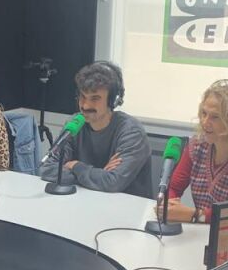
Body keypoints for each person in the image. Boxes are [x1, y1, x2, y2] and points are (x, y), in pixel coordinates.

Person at [156, 80, 228, 224]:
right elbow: (173, 187)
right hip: (200, 231)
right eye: (204, 113)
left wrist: (196, 215)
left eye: (215, 117)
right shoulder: (196, 145)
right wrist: (169, 206)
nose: (205, 122)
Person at [38, 61, 152, 198]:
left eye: (95, 98)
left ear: (112, 101)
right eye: (82, 96)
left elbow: (113, 183)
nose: (85, 106)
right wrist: (99, 174)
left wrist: (75, 166)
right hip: (84, 201)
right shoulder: (75, 124)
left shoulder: (131, 133)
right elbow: (47, 169)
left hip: (124, 206)